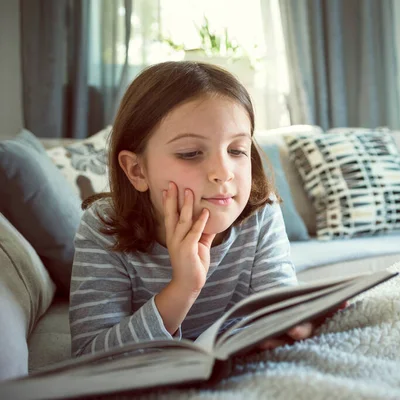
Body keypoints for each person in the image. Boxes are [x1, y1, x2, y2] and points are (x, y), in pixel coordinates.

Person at [69, 61, 328, 357]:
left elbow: (277, 308)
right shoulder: (103, 226)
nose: (223, 172)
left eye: (236, 150)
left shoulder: (260, 215)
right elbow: (89, 355)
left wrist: (295, 323)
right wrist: (184, 288)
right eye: (190, 154)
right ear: (137, 170)